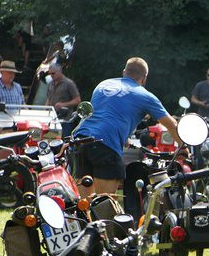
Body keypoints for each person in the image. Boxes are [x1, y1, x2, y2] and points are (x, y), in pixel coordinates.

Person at [72, 57, 180, 198]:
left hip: (81, 140)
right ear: (144, 79)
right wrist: (183, 147)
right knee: (104, 204)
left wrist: (125, 139)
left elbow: (105, 115)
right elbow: (172, 125)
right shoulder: (145, 96)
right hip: (105, 145)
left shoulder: (104, 84)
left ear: (124, 72)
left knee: (85, 204)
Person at [45, 63, 81, 138]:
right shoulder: (50, 84)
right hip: (52, 120)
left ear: (60, 72)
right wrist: (45, 110)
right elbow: (49, 98)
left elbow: (77, 100)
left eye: (53, 73)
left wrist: (63, 105)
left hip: (65, 120)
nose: (51, 75)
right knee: (50, 141)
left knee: (64, 142)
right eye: (50, 73)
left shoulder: (69, 83)